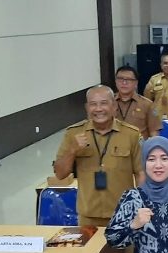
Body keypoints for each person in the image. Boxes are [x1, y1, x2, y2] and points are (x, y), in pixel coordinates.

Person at [53, 85, 143, 227]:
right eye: (93, 104)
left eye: (103, 103)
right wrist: (72, 151)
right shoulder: (73, 134)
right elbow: (60, 174)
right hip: (88, 218)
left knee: (125, 250)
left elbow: (141, 172)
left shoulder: (131, 134)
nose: (98, 109)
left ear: (114, 106)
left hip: (124, 215)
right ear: (87, 108)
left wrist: (141, 205)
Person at [114, 66, 162, 139]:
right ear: (116, 81)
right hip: (113, 147)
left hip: (139, 147)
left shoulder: (147, 104)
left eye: (128, 79)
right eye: (120, 79)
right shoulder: (108, 103)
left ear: (136, 83)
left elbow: (154, 133)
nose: (124, 82)